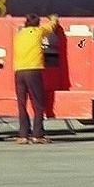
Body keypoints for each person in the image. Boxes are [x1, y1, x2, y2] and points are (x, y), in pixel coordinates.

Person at [12, 13, 58, 143]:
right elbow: (51, 27)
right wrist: (54, 19)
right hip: (33, 71)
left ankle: (23, 135)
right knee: (38, 104)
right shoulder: (38, 31)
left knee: (21, 104)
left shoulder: (19, 34)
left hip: (19, 72)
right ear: (37, 23)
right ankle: (37, 135)